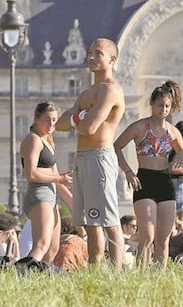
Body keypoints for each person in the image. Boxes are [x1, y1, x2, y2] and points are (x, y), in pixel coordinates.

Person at [55, 38, 126, 268]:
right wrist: (80, 116)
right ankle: (95, 271)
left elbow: (90, 127)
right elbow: (61, 123)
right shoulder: (86, 93)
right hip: (82, 158)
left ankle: (117, 274)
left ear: (112, 59)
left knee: (109, 221)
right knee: (90, 222)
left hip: (99, 157)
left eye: (98, 53)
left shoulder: (111, 90)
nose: (91, 57)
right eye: (90, 52)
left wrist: (79, 117)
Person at [114, 81, 183, 268]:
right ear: (152, 104)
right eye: (160, 105)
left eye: (167, 106)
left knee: (163, 237)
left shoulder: (172, 132)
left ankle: (159, 277)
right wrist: (128, 171)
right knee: (147, 236)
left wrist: (182, 155)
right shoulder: (140, 127)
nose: (164, 110)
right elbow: (116, 147)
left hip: (164, 181)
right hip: (144, 181)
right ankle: (141, 275)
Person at [19, 101, 73, 265]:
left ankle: (40, 282)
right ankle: (21, 274)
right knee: (41, 245)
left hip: (51, 197)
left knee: (52, 250)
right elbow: (31, 173)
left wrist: (74, 203)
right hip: (39, 196)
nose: (51, 124)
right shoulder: (33, 140)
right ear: (36, 119)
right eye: (46, 119)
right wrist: (59, 178)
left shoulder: (48, 141)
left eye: (54, 120)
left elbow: (56, 176)